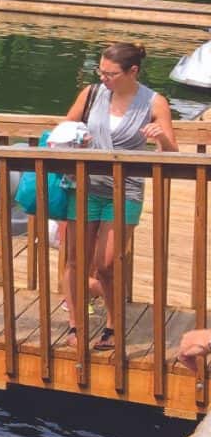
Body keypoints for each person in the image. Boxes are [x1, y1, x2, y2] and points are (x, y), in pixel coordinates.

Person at [62, 41, 178, 351]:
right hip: (84, 186)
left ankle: (113, 325)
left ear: (132, 71)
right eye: (100, 70)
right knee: (76, 260)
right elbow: (64, 127)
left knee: (107, 263)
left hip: (125, 191)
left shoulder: (154, 103)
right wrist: (75, 136)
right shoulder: (91, 94)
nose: (103, 78)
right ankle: (76, 325)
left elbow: (173, 152)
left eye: (110, 73)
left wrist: (162, 137)